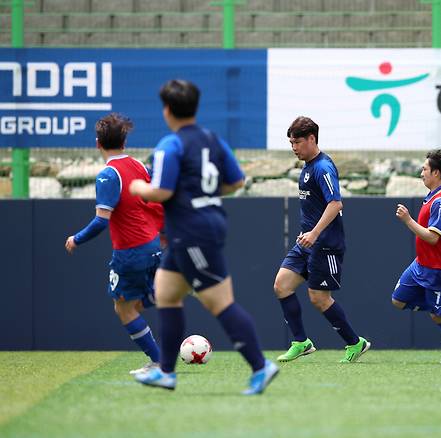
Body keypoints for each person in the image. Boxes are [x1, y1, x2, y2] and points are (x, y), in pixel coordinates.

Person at [129, 79, 278, 395]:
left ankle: (260, 366)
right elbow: (237, 181)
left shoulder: (171, 144)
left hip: (191, 231)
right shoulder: (213, 139)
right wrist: (204, 192)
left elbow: (162, 191)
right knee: (166, 294)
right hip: (200, 226)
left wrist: (137, 188)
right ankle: (166, 372)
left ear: (167, 110)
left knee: (221, 303)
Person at [65, 113, 163, 374]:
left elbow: (101, 221)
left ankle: (158, 361)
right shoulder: (140, 166)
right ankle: (168, 289)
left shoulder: (108, 175)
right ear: (125, 141)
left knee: (122, 308)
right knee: (136, 304)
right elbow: (159, 195)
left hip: (130, 251)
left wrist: (76, 238)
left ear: (97, 143)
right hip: (153, 246)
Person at [273, 116, 370, 363]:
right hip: (306, 243)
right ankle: (301, 342)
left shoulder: (322, 167)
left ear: (312, 139)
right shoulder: (306, 167)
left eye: (297, 142)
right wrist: (308, 233)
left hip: (325, 244)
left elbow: (336, 203)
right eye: (291, 143)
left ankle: (355, 343)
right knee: (281, 285)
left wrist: (315, 233)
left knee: (319, 298)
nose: (293, 147)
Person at [392, 149, 441, 364]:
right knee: (398, 300)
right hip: (421, 263)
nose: (421, 173)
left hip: (439, 268)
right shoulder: (434, 197)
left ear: (436, 173)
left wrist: (408, 220)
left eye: (425, 169)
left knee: (438, 316)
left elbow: (432, 237)